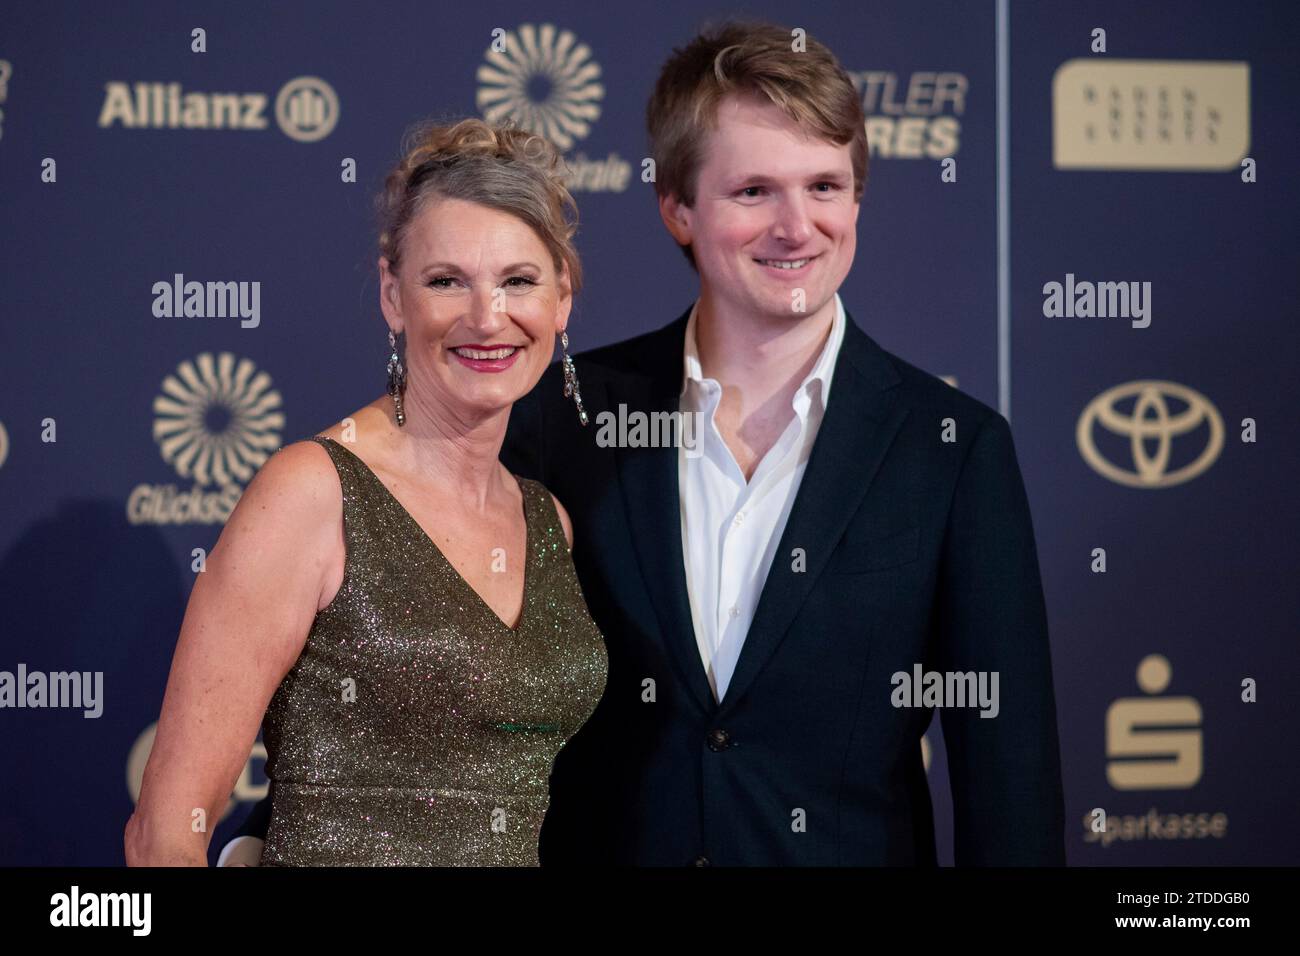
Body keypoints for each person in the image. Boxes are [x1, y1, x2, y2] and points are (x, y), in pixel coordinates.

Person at [227, 20, 1065, 866]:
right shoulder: (558, 419)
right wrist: (265, 846)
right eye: (753, 192)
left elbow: (1012, 788)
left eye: (824, 186)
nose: (797, 226)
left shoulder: (952, 449)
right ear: (676, 207)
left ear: (856, 200)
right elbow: (416, 698)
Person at [125, 118, 607, 866]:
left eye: (519, 281)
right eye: (446, 281)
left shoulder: (548, 523)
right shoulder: (312, 493)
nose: (488, 317)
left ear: (561, 300)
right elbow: (165, 830)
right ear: (393, 295)